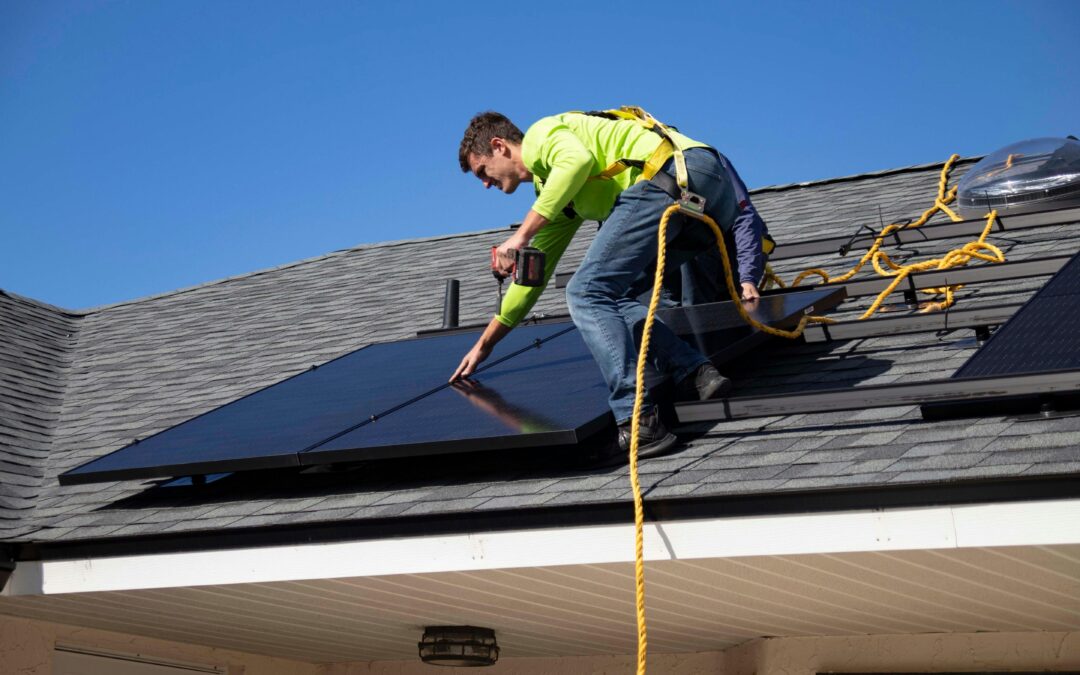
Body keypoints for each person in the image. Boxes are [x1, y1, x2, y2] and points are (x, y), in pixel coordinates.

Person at [450, 110, 766, 460]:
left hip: (671, 174)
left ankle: (638, 419)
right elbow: (531, 282)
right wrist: (484, 345)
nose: (484, 183)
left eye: (482, 170)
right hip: (704, 200)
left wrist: (520, 236)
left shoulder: (542, 136)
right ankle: (695, 370)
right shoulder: (555, 195)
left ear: (499, 146)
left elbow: (576, 161)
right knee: (614, 297)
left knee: (585, 292)